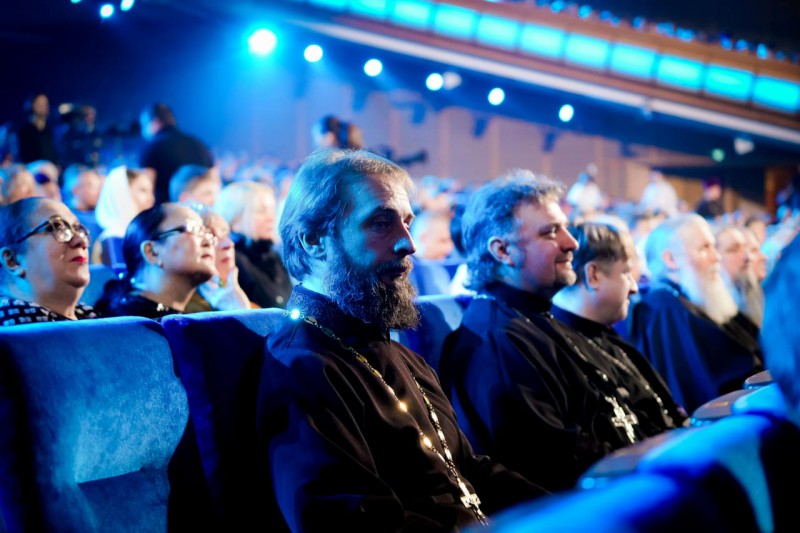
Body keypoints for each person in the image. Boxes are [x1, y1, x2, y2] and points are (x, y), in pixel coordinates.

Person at [257, 149, 546, 532]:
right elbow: (350, 522)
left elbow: (466, 469)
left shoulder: (395, 351)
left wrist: (569, 511)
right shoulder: (301, 365)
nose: (408, 244)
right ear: (314, 241)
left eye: (407, 222)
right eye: (381, 223)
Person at [439, 171, 676, 493]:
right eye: (551, 232)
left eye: (565, 227)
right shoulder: (497, 342)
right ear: (503, 251)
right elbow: (556, 464)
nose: (571, 242)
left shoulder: (536, 318)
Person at [551, 221, 687, 427]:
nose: (634, 288)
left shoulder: (604, 334)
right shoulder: (559, 349)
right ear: (593, 275)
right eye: (626, 273)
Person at [628, 214, 763, 413]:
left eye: (714, 247)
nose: (716, 257)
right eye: (704, 248)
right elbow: (696, 391)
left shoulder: (690, 298)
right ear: (671, 259)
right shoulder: (665, 311)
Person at [94, 203, 217, 319]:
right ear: (152, 252)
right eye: (194, 229)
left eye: (208, 234)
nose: (208, 242)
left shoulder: (197, 316)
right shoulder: (125, 325)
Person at [0, 197, 96, 325]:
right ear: (13, 261)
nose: (81, 240)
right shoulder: (10, 332)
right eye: (57, 227)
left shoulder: (91, 317)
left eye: (79, 229)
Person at [214, 181, 292, 308]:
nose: (271, 218)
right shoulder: (230, 261)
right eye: (261, 211)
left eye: (272, 210)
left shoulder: (275, 258)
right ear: (235, 221)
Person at [138, 102, 213, 205]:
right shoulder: (199, 144)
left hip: (166, 211)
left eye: (144, 126)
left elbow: (146, 186)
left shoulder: (151, 148)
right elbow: (214, 178)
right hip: (203, 210)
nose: (143, 132)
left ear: (155, 122)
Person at [184, 203, 253, 313]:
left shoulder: (248, 303)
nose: (229, 244)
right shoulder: (186, 312)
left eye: (226, 235)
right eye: (211, 236)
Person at [93, 165, 155, 266]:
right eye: (143, 190)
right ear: (122, 194)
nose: (151, 199)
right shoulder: (113, 238)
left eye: (151, 192)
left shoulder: (141, 233)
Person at [716, 224, 764, 327]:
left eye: (745, 248)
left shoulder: (759, 293)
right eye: (734, 250)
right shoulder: (715, 312)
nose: (747, 256)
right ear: (716, 258)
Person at [15, 93, 58, 164]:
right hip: (33, 167)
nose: (44, 107)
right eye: (40, 104)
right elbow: (24, 155)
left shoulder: (51, 130)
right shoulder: (26, 131)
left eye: (46, 104)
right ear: (33, 106)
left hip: (51, 167)